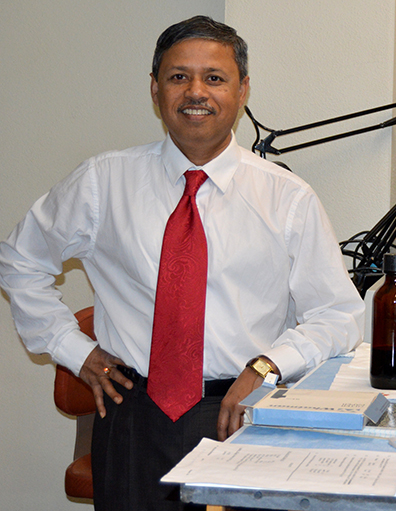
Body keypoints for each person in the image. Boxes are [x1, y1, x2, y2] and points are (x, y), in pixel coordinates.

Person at [0, 15, 364, 511]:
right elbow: (20, 259)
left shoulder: (287, 198)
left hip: (243, 409)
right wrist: (70, 347)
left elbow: (338, 314)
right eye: (178, 77)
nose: (196, 91)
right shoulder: (104, 183)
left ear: (242, 91)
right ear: (155, 90)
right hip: (134, 415)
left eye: (214, 78)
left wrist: (267, 367)